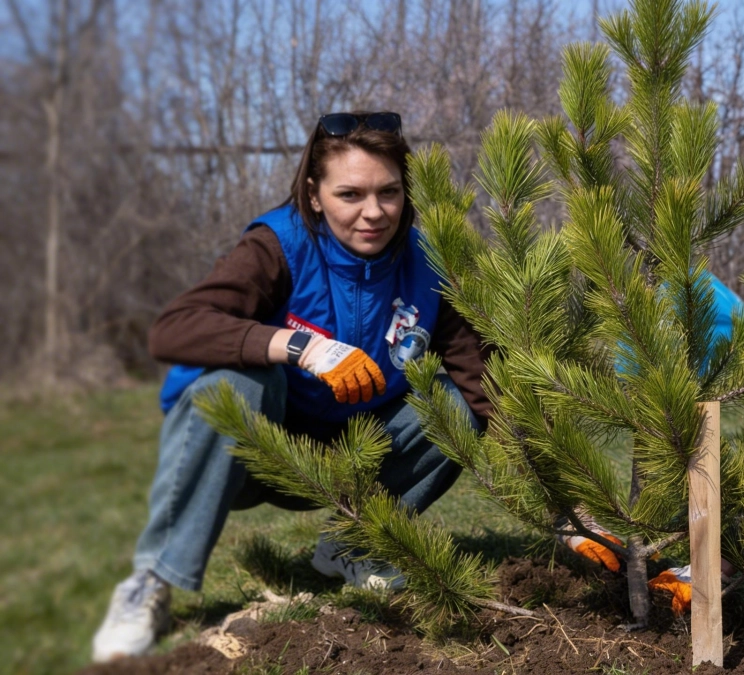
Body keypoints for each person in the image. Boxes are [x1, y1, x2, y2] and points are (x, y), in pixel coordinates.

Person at [90, 111, 493, 663]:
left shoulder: (428, 264)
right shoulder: (277, 245)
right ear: (314, 194)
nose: (374, 212)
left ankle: (352, 545)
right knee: (238, 381)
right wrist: (299, 346)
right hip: (250, 454)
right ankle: (152, 581)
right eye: (350, 194)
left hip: (358, 455)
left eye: (389, 192)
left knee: (451, 404)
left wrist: (570, 507)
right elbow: (174, 328)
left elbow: (482, 381)